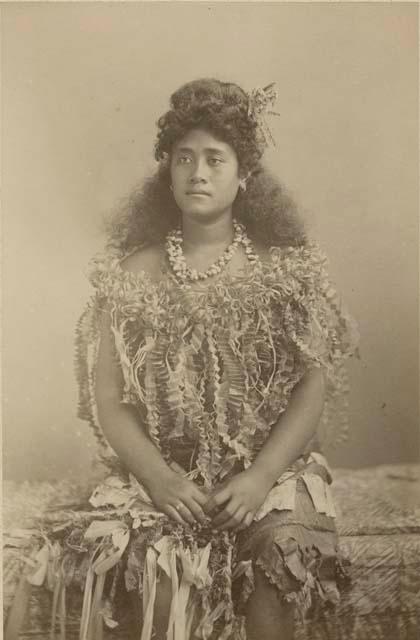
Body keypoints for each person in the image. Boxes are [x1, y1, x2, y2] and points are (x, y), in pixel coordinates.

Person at [8, 78, 359, 640]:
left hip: (269, 474)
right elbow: (109, 401)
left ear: (244, 175)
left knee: (278, 558)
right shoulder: (131, 277)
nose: (198, 172)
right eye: (183, 158)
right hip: (167, 476)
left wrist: (261, 475)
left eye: (215, 159)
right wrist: (157, 476)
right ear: (167, 172)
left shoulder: (282, 272)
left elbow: (310, 388)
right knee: (157, 569)